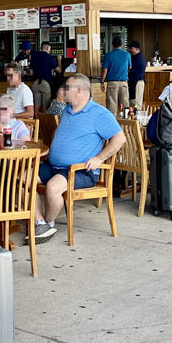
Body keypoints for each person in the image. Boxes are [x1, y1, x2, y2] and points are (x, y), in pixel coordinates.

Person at [33, 74, 124, 243]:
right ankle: (40, 223)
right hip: (54, 166)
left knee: (53, 188)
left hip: (81, 171)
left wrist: (99, 158)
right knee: (20, 179)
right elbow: (59, 134)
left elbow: (120, 138)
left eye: (67, 88)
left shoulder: (99, 113)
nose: (63, 91)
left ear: (79, 91)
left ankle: (49, 223)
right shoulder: (66, 111)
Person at [100, 36, 131, 114]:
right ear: (121, 45)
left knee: (111, 106)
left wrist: (102, 82)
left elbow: (105, 70)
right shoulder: (127, 55)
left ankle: (112, 125)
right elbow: (129, 67)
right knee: (125, 106)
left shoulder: (108, 55)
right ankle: (126, 124)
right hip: (124, 83)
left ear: (112, 45)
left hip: (112, 83)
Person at [29, 43, 59, 114]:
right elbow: (59, 70)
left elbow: (31, 73)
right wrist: (59, 60)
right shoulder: (50, 57)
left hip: (36, 83)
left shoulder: (34, 57)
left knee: (37, 105)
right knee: (46, 106)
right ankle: (44, 123)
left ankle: (36, 121)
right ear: (48, 48)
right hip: (45, 84)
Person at [128, 41, 147, 110]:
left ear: (137, 49)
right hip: (134, 82)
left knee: (136, 103)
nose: (129, 50)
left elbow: (131, 69)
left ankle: (137, 119)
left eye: (131, 48)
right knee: (133, 102)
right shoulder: (134, 57)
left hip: (137, 82)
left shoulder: (139, 58)